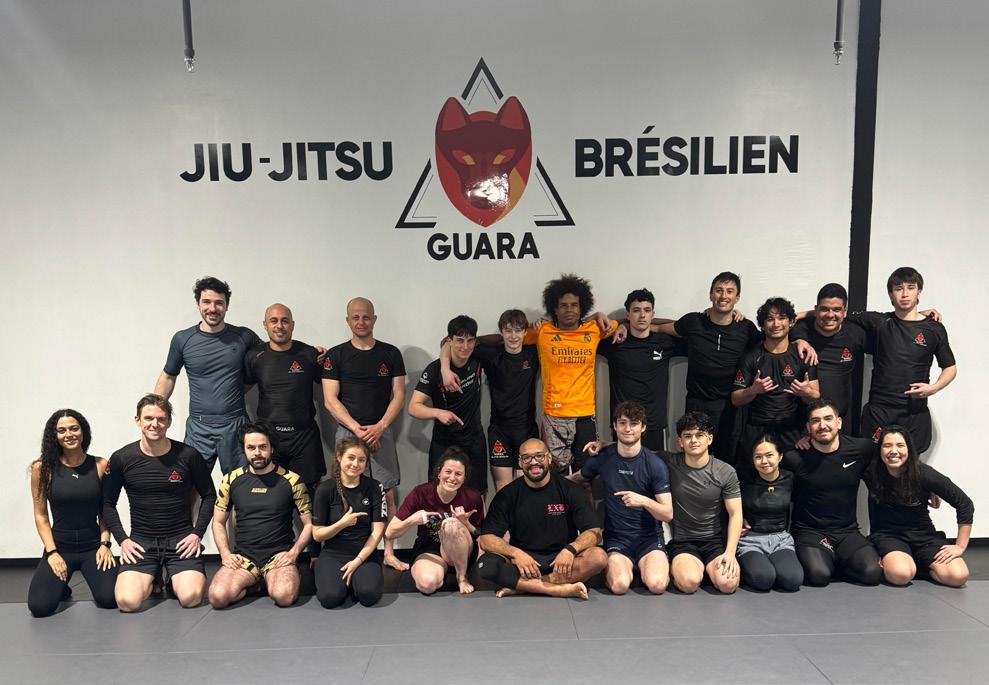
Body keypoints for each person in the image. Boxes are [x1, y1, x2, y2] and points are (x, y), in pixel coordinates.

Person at [103, 394, 217, 611]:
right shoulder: (121, 458)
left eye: (161, 419)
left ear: (169, 422)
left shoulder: (189, 455)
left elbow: (209, 496)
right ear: (137, 420)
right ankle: (153, 574)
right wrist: (122, 540)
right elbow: (107, 503)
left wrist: (197, 534)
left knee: (191, 598)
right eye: (148, 418)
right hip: (141, 543)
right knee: (127, 602)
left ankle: (173, 579)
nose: (154, 424)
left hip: (181, 542)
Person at [322, 296, 407, 570]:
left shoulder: (390, 353)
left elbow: (399, 395)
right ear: (348, 321)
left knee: (387, 493)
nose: (361, 322)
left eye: (366, 317)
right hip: (348, 433)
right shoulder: (335, 355)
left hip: (381, 431)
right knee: (345, 491)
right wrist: (357, 429)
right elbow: (330, 400)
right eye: (355, 317)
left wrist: (380, 426)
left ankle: (389, 552)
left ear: (374, 319)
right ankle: (346, 551)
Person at [154, 276, 261, 474]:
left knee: (240, 483)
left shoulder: (244, 336)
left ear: (227, 306)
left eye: (219, 303)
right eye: (206, 302)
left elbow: (272, 357)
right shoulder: (183, 339)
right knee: (191, 483)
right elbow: (168, 376)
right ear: (198, 304)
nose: (212, 308)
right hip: (199, 428)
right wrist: (154, 411)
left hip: (235, 424)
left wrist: (311, 353)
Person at [476, 438, 607, 599]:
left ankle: (526, 586)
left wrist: (570, 550)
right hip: (523, 563)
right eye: (527, 458)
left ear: (549, 458)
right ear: (520, 462)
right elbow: (486, 539)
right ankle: (556, 589)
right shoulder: (507, 495)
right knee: (486, 566)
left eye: (539, 456)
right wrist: (515, 553)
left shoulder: (571, 490)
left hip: (562, 561)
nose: (534, 462)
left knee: (599, 558)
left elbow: (594, 532)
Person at [654, 272, 762, 463]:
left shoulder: (746, 328)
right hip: (697, 403)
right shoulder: (694, 322)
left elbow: (771, 343)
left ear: (737, 298)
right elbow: (660, 328)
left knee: (727, 460)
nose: (724, 296)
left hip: (730, 405)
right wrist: (627, 325)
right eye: (719, 290)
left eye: (729, 291)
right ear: (711, 295)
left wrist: (799, 340)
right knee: (693, 457)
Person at [208, 422, 313, 609]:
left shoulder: (292, 480)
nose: (257, 453)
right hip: (244, 558)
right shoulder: (230, 480)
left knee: (283, 596)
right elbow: (217, 522)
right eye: (251, 448)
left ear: (272, 448)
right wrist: (225, 554)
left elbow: (309, 524)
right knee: (217, 597)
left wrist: (293, 553)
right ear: (244, 450)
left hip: (278, 556)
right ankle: (254, 581)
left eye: (263, 447)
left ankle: (277, 577)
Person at [851, 267, 956, 453]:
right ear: (891, 294)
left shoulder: (934, 329)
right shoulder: (880, 322)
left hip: (914, 412)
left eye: (911, 288)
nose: (905, 294)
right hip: (879, 410)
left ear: (919, 291)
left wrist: (933, 388)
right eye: (898, 289)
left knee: (911, 466)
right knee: (874, 464)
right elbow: (835, 314)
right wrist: (802, 317)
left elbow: (950, 367)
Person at [575, 401, 673, 595]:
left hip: (649, 539)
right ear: (614, 426)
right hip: (617, 540)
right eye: (622, 423)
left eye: (634, 423)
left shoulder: (655, 464)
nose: (628, 429)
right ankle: (626, 569)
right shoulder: (603, 457)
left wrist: (643, 500)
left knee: (657, 585)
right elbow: (577, 478)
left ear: (643, 427)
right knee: (619, 586)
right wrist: (547, 480)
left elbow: (668, 514)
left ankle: (649, 566)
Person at [783, 399, 882, 587]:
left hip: (847, 532)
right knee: (819, 576)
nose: (823, 425)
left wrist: (927, 486)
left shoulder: (861, 448)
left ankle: (836, 560)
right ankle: (830, 561)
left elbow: (896, 460)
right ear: (808, 427)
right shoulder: (794, 458)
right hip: (809, 532)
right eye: (815, 421)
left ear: (839, 422)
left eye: (828, 419)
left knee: (873, 573)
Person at [522, 274, 616, 473]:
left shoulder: (595, 329)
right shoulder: (542, 331)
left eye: (574, 305)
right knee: (557, 473)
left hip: (585, 414)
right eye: (563, 306)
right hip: (555, 414)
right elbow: (510, 336)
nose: (569, 310)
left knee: (587, 473)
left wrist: (602, 317)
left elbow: (625, 323)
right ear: (554, 309)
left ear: (582, 308)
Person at [28, 409, 117, 617]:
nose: (69, 434)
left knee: (111, 599)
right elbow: (41, 515)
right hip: (60, 548)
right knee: (39, 608)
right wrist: (52, 553)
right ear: (55, 436)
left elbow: (105, 510)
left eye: (74, 428)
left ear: (83, 431)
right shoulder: (42, 469)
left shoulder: (100, 465)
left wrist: (105, 544)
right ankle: (61, 586)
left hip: (93, 547)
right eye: (62, 430)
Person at [443, 309, 539, 491]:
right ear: (501, 332)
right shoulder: (491, 354)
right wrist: (444, 369)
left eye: (518, 330)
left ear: (525, 332)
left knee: (526, 486)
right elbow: (446, 343)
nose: (513, 336)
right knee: (503, 487)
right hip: (499, 430)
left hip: (526, 429)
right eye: (508, 330)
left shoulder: (534, 353)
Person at [865, 426, 973, 587]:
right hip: (888, 536)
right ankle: (905, 564)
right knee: (901, 575)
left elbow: (964, 504)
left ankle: (919, 564)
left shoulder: (924, 473)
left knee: (958, 576)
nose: (894, 451)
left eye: (900, 445)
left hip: (924, 536)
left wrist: (960, 546)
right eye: (887, 445)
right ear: (880, 449)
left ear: (909, 449)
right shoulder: (871, 472)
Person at [245, 303, 326, 495]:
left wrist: (330, 358)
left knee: (309, 495)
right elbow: (240, 389)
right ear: (265, 325)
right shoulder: (254, 356)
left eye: (285, 321)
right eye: (273, 321)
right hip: (269, 438)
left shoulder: (310, 354)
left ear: (292, 325)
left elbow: (331, 385)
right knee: (272, 497)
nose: (279, 326)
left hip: (304, 437)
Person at [663, 411, 743, 595]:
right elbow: (636, 451)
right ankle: (689, 568)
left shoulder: (725, 471)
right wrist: (605, 445)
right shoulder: (669, 462)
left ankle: (706, 569)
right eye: (688, 436)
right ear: (680, 442)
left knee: (728, 584)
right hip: (683, 542)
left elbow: (736, 514)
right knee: (689, 583)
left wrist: (730, 553)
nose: (694, 440)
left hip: (714, 542)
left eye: (699, 435)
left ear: (710, 439)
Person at [732, 296, 819, 463]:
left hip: (791, 431)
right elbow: (735, 399)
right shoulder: (751, 357)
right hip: (757, 429)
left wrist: (806, 392)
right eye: (770, 319)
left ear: (791, 322)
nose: (776, 324)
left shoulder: (803, 355)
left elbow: (816, 397)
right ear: (762, 325)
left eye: (781, 318)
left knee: (796, 474)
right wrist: (753, 390)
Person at [386, 447, 485, 594]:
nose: (452, 478)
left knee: (450, 525)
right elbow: (390, 532)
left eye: (458, 474)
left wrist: (466, 523)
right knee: (427, 584)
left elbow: (481, 535)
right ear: (439, 473)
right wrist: (411, 520)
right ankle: (441, 571)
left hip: (462, 550)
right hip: (431, 548)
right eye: (448, 472)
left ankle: (461, 577)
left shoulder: (473, 496)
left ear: (464, 478)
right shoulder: (421, 493)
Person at [410, 315, 488, 493]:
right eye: (460, 340)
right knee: (440, 493)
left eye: (470, 341)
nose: (465, 346)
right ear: (450, 341)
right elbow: (413, 407)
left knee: (476, 494)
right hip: (444, 442)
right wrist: (437, 413)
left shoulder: (477, 358)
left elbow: (498, 339)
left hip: (474, 440)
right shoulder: (434, 370)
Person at [597, 289, 683, 451]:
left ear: (653, 315)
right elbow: (579, 329)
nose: (642, 315)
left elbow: (684, 327)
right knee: (623, 466)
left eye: (647, 310)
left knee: (655, 466)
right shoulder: (615, 341)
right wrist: (620, 324)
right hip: (624, 423)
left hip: (653, 423)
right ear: (628, 315)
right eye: (636, 310)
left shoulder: (665, 342)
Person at [311, 438, 386, 608]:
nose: (355, 464)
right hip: (333, 553)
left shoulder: (375, 487)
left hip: (364, 553)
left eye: (361, 460)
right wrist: (342, 524)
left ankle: (357, 580)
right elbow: (317, 535)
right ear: (339, 457)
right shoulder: (325, 489)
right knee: (330, 598)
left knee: (368, 595)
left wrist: (358, 561)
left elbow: (377, 533)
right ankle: (342, 582)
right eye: (351, 458)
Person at [789, 283, 868, 426]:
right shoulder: (799, 330)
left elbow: (888, 352)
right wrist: (797, 340)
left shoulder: (856, 334)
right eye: (824, 309)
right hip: (803, 422)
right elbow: (773, 330)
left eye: (836, 309)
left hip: (840, 420)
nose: (830, 315)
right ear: (816, 310)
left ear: (845, 312)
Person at [736, 435, 803, 592]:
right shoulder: (742, 478)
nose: (764, 461)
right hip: (750, 540)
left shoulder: (790, 478)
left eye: (769, 455)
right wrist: (739, 519)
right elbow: (728, 506)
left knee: (793, 580)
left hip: (780, 540)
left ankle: (770, 565)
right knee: (764, 579)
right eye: (758, 457)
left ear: (780, 456)